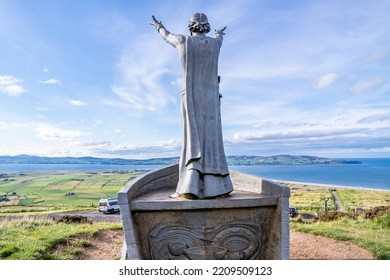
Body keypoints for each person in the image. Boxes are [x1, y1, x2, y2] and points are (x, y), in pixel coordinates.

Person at [150, 13, 233, 199]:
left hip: (191, 95)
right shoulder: (214, 44)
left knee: (192, 136)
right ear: (207, 26)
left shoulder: (183, 40)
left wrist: (158, 26)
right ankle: (215, 185)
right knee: (211, 137)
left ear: (191, 26)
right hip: (211, 98)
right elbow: (219, 39)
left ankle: (190, 183)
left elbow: (167, 36)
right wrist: (219, 34)